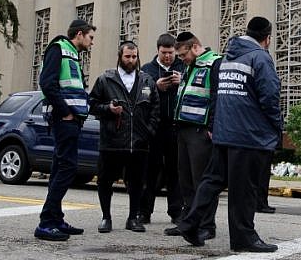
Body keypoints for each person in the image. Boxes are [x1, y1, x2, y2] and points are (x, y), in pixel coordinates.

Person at [177, 16, 283, 253]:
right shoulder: (260, 58)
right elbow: (269, 97)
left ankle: (190, 222)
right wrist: (277, 127)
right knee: (243, 189)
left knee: (212, 180)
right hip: (248, 135)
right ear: (267, 39)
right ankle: (243, 237)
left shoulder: (227, 58)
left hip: (225, 132)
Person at [34, 19, 96, 241]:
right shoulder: (58, 48)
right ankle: (46, 222)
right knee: (68, 168)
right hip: (64, 120)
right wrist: (65, 111)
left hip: (72, 120)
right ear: (79, 34)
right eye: (90, 38)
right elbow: (47, 83)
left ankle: (56, 218)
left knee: (60, 167)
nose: (91, 43)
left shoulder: (72, 55)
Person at [89, 41, 159, 233]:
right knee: (105, 180)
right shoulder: (105, 79)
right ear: (120, 56)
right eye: (127, 56)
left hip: (139, 143)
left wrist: (149, 131)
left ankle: (133, 218)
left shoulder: (147, 80)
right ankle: (106, 217)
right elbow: (92, 104)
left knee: (137, 182)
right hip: (112, 141)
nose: (131, 60)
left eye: (134, 57)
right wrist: (108, 109)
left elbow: (155, 108)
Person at [164, 32, 221, 239]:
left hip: (200, 131)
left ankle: (207, 225)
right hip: (184, 129)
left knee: (202, 181)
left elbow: (216, 97)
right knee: (185, 181)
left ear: (195, 47)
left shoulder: (214, 63)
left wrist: (213, 127)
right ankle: (187, 222)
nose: (181, 59)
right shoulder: (189, 66)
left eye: (182, 55)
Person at [139, 33, 186, 224]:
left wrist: (180, 82)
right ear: (157, 50)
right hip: (155, 127)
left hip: (176, 126)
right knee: (151, 170)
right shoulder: (147, 70)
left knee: (176, 171)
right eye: (164, 52)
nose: (168, 56)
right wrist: (155, 86)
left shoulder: (183, 67)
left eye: (171, 53)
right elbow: (139, 96)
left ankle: (176, 211)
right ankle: (144, 211)